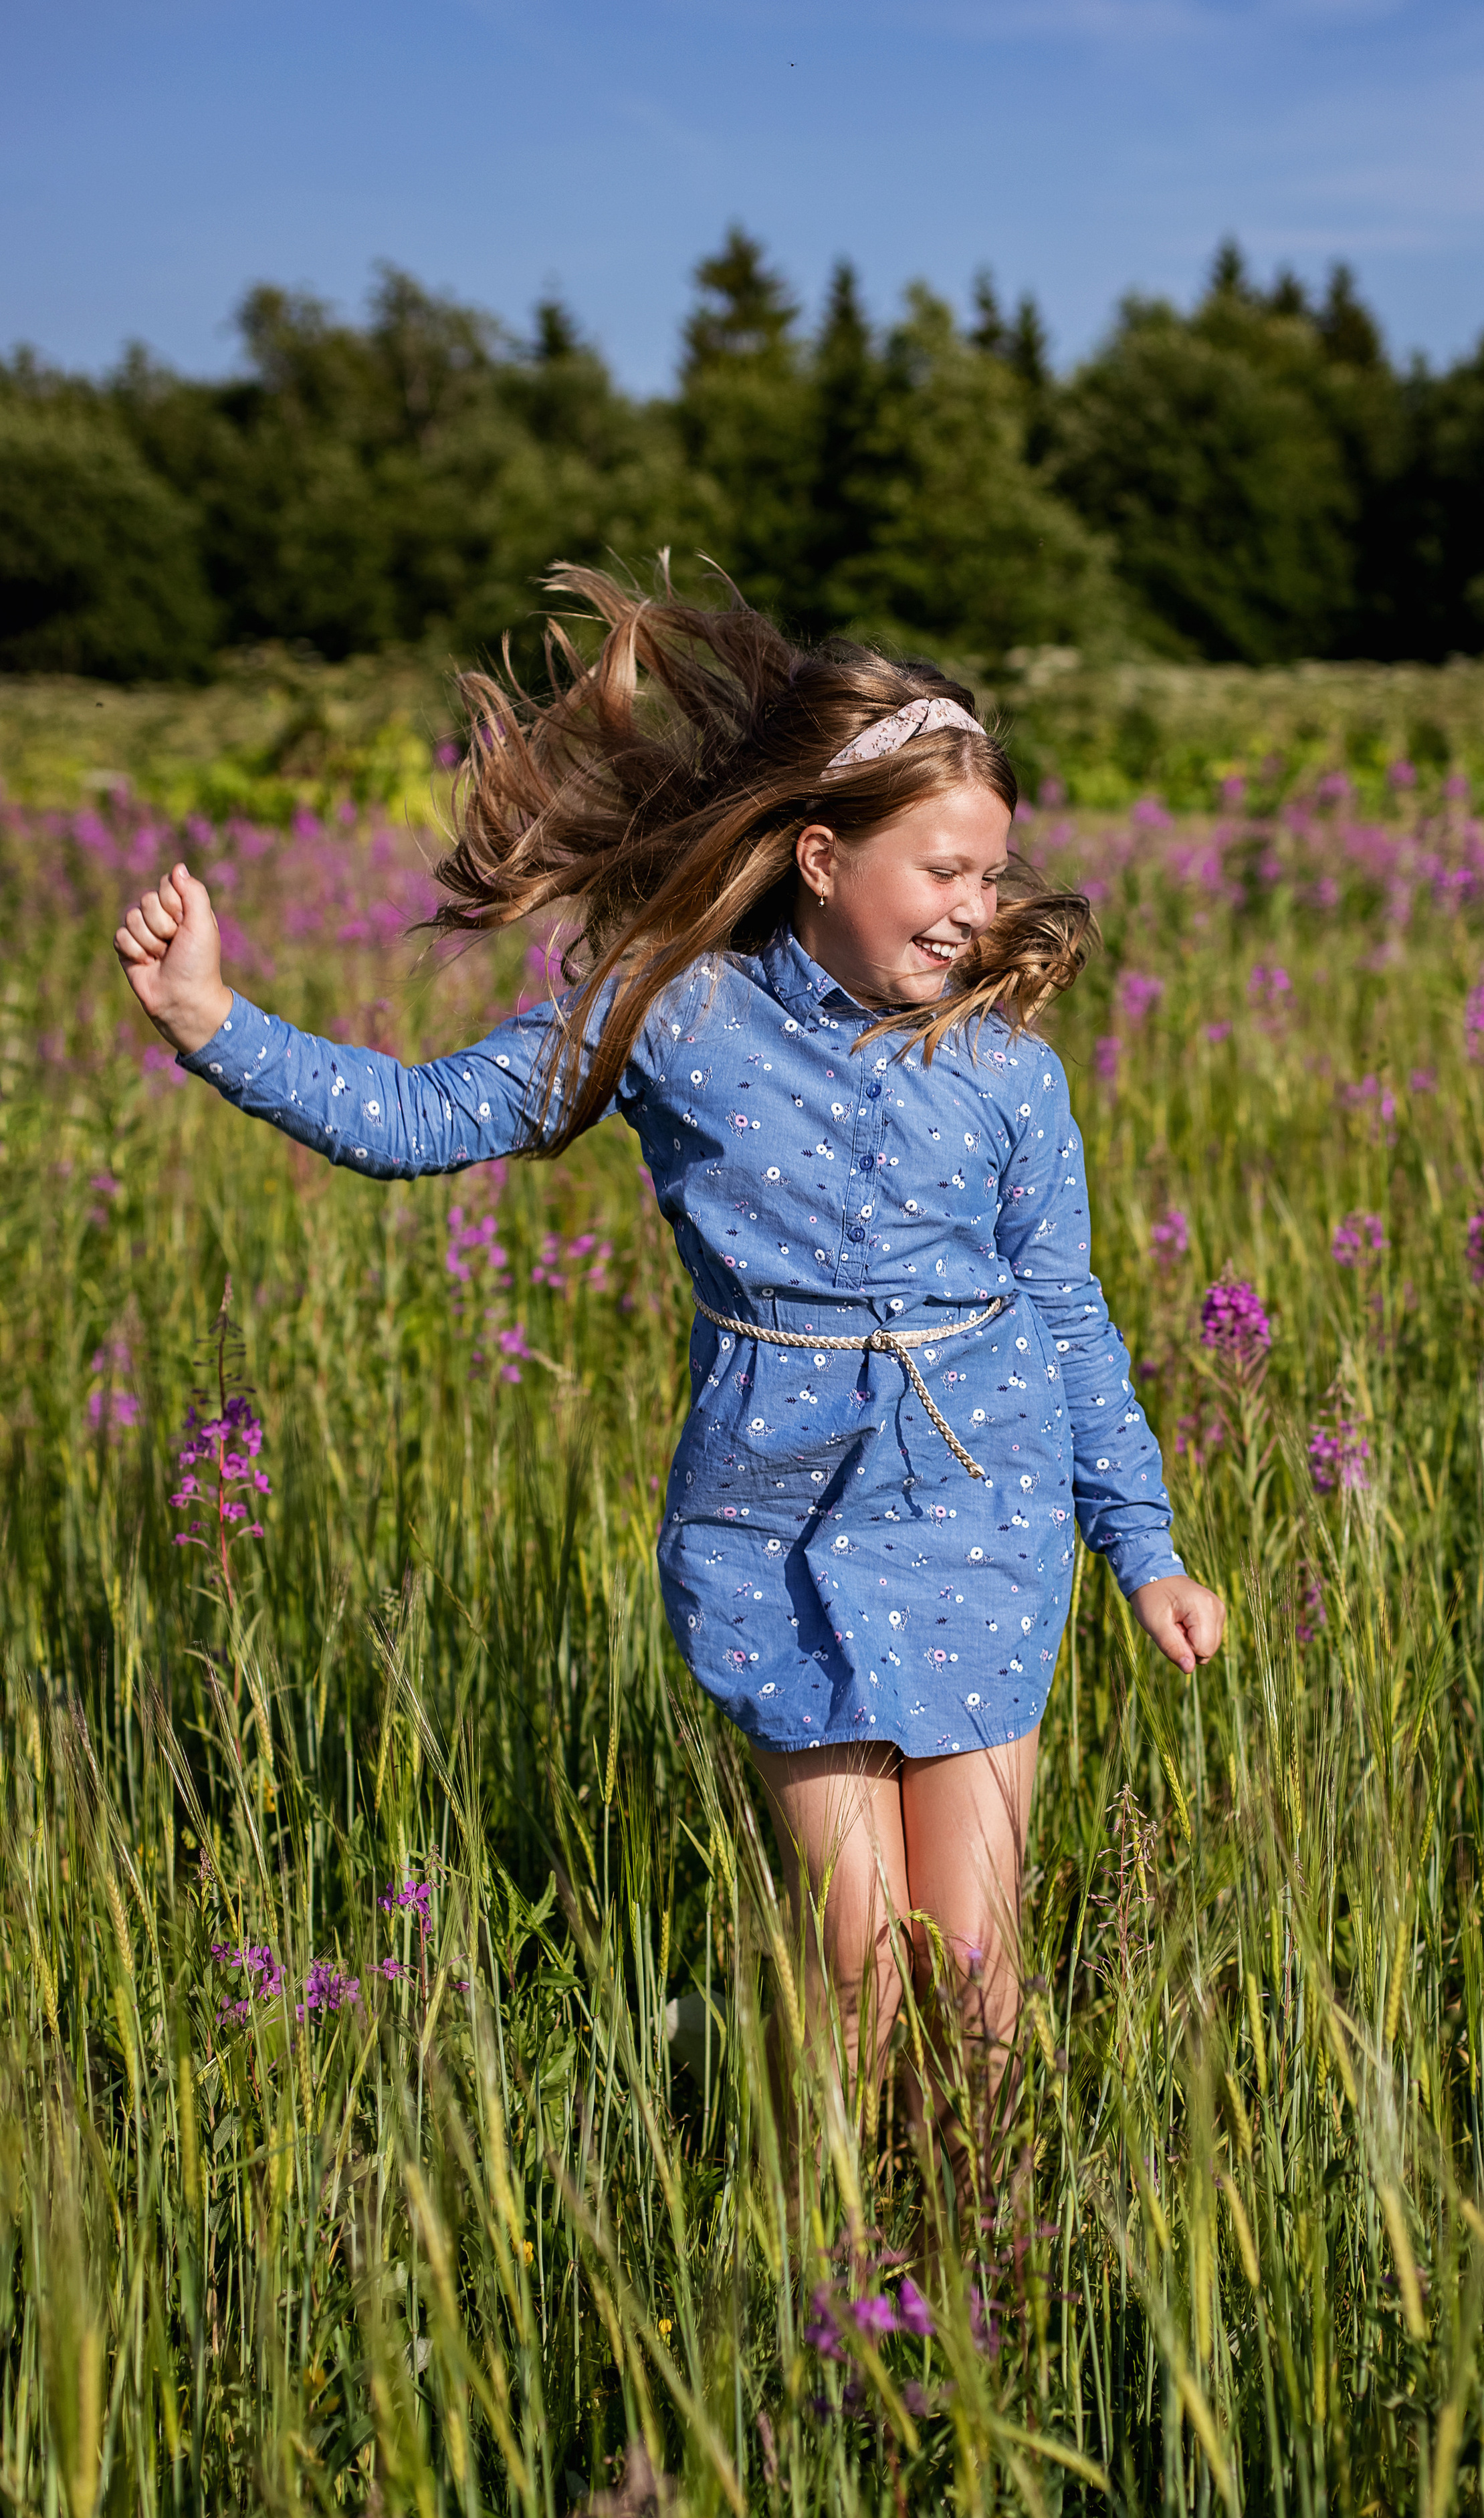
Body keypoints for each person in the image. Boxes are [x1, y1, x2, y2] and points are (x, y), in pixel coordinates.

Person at [114, 570, 1225, 2154]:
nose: (976, 910)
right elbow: (421, 1121)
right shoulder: (668, 1012)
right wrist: (212, 1018)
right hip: (771, 1525)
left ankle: (979, 2273)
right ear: (823, 854)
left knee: (971, 1976)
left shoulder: (1004, 1072)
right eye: (943, 871)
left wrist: (1143, 1545)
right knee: (856, 1970)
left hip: (982, 1506)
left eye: (991, 875)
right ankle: (830, 2271)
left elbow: (1066, 1312)